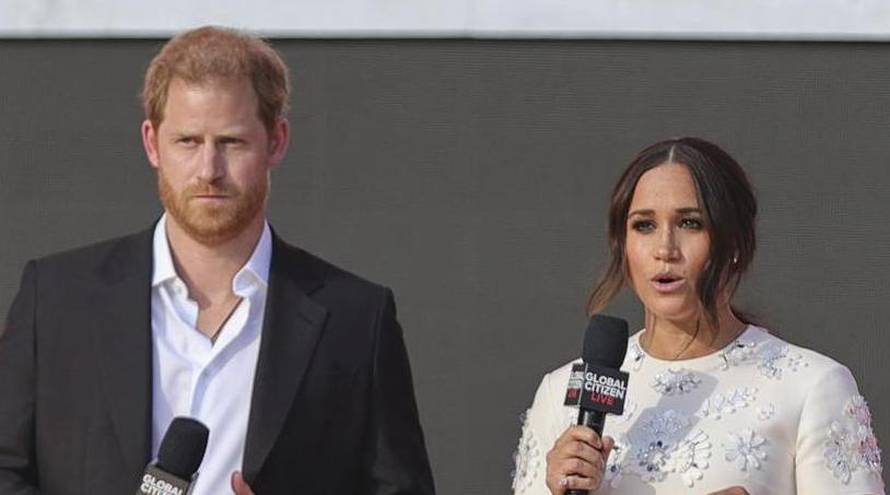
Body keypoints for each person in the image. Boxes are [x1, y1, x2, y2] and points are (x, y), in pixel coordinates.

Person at [0, 26, 435, 495]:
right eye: (188, 141)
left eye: (231, 142)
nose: (209, 169)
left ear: (277, 141)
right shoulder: (58, 299)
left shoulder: (356, 321)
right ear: (152, 144)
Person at [511, 137, 884, 495]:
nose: (664, 249)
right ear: (622, 245)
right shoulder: (561, 394)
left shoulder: (811, 387)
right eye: (644, 225)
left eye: (690, 223)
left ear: (734, 243)